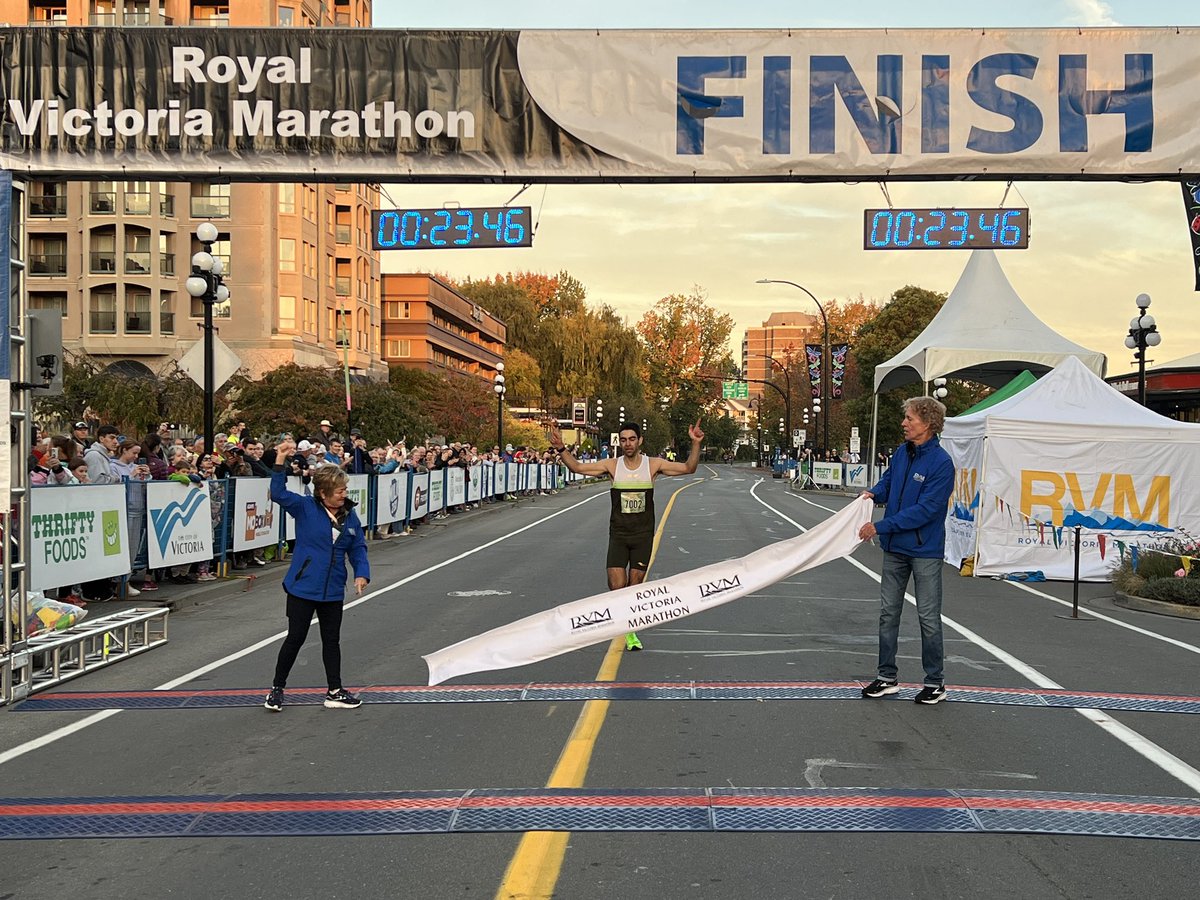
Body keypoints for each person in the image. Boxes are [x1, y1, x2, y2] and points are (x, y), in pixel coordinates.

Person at [550, 419, 704, 652]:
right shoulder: (613, 466)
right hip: (619, 534)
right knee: (616, 585)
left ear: (640, 441)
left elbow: (688, 468)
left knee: (634, 587)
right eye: (623, 440)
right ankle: (625, 624)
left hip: (642, 536)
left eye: (632, 439)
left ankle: (630, 631)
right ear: (619, 442)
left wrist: (695, 444)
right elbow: (578, 468)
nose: (628, 443)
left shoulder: (653, 465)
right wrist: (561, 448)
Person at [858, 396, 955, 705]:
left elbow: (926, 510)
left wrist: (881, 526)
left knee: (927, 616)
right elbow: (888, 483)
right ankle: (887, 676)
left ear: (927, 424)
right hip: (895, 549)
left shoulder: (941, 464)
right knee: (888, 614)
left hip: (924, 550)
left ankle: (935, 681)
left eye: (910, 419)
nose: (904, 423)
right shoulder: (902, 453)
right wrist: (873, 494)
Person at [264, 462, 370, 712]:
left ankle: (335, 691)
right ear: (322, 492)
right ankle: (277, 689)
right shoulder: (304, 507)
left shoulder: (349, 515)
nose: (344, 494)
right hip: (303, 587)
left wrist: (361, 574)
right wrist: (279, 463)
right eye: (339, 490)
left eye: (345, 489)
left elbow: (358, 547)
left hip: (332, 588)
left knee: (331, 641)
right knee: (295, 638)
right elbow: (278, 494)